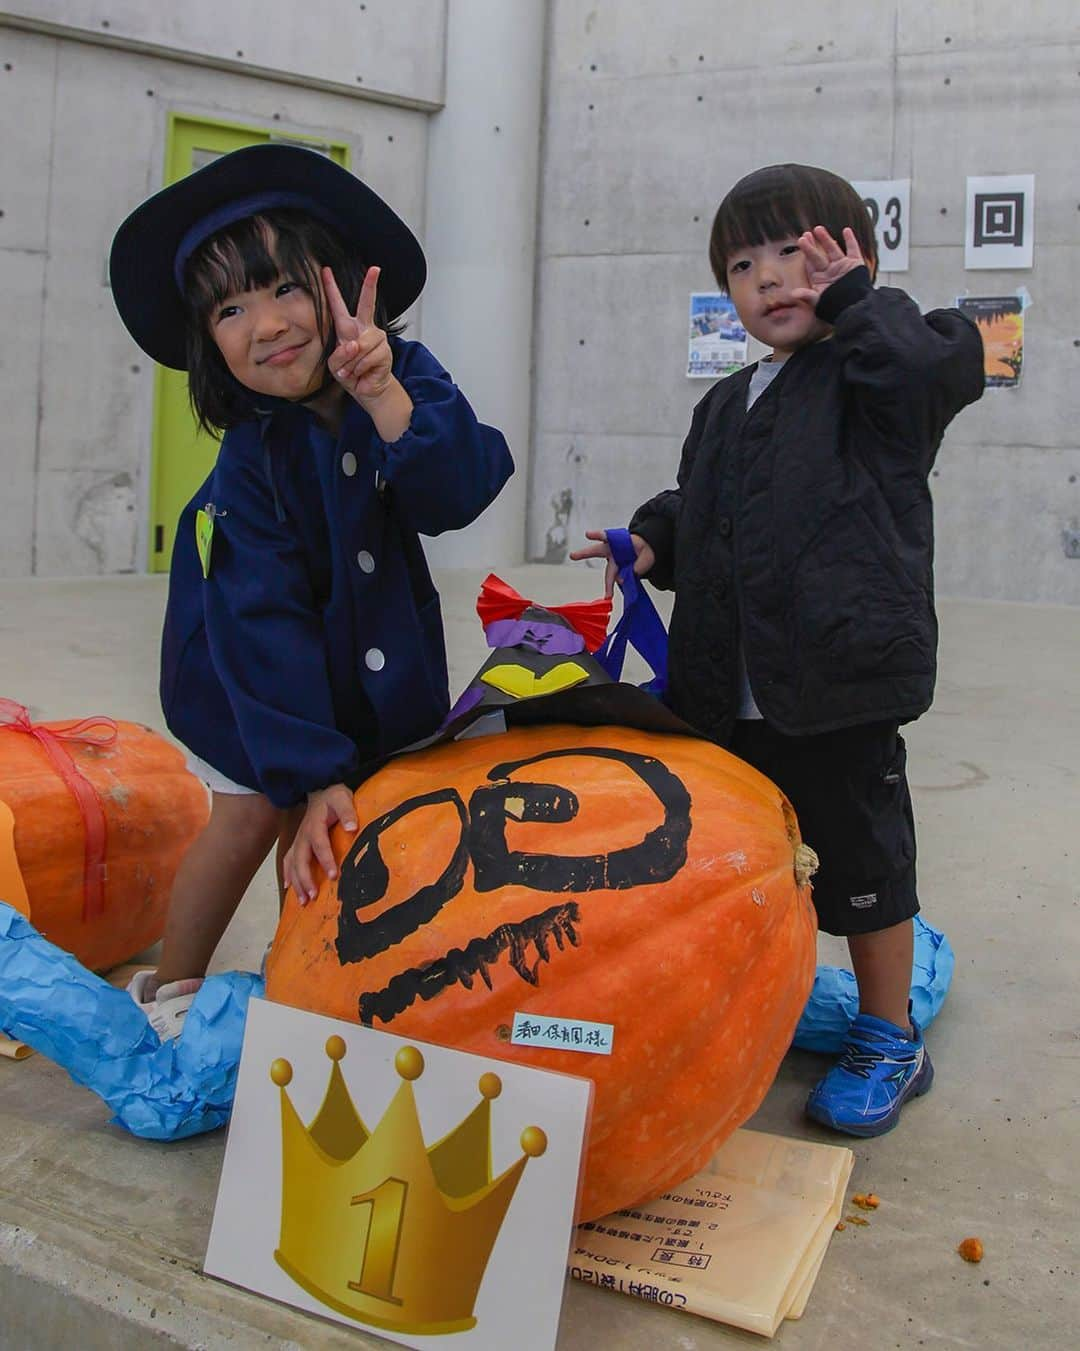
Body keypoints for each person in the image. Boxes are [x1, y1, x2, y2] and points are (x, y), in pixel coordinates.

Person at [572, 163, 984, 1137]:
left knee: (865, 867)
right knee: (760, 865)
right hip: (729, 698)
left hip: (839, 689)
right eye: (744, 265)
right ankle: (780, 996)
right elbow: (700, 508)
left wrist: (858, 306)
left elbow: (939, 371)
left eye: (799, 254)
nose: (770, 279)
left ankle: (891, 1035)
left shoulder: (884, 373)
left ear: (858, 261)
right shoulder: (728, 402)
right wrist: (651, 541)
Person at [109, 144, 513, 1039]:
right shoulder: (249, 464)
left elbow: (460, 489)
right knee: (260, 809)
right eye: (230, 308)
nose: (268, 324)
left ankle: (316, 976)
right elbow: (262, 622)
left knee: (357, 817)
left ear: (338, 288)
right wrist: (309, 766)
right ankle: (170, 995)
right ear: (208, 342)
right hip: (246, 677)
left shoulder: (404, 375)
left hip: (371, 659)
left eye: (288, 289)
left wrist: (385, 399)